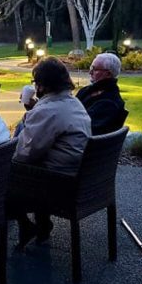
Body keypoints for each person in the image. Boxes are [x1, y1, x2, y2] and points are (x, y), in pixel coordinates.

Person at [12, 57, 91, 249]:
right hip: (78, 175)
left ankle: (25, 225)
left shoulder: (49, 110)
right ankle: (42, 224)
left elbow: (25, 154)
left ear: (41, 85)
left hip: (58, 182)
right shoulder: (74, 103)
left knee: (4, 172)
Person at [76, 52, 127, 135]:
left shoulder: (110, 102)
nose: (90, 72)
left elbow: (87, 129)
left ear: (108, 74)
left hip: (86, 144)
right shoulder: (87, 90)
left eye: (95, 69)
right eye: (91, 68)